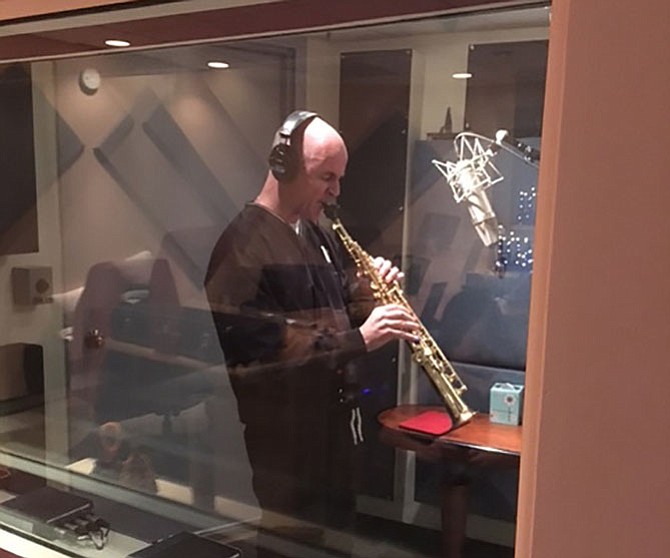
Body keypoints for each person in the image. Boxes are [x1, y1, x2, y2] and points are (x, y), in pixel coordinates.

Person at [204, 110, 418, 556]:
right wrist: (362, 338)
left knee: (335, 539)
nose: (336, 191)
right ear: (284, 167)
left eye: (339, 178)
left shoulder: (315, 234)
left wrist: (368, 291)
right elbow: (271, 355)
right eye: (327, 177)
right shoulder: (242, 247)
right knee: (291, 544)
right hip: (285, 437)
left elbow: (334, 308)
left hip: (330, 429)